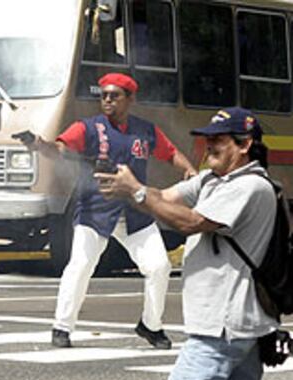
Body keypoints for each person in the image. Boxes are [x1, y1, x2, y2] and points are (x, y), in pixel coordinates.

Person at [96, 106, 293, 380]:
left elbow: (189, 222)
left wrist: (136, 194)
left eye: (219, 141)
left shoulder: (250, 188)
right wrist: (127, 185)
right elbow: (166, 199)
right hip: (238, 323)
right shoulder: (214, 180)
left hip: (221, 325)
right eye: (207, 140)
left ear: (244, 146)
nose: (208, 148)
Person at [20, 73, 196, 349]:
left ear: (130, 99)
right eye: (103, 95)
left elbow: (170, 152)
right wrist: (40, 145)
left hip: (136, 211)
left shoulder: (145, 131)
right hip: (95, 210)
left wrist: (188, 169)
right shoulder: (88, 128)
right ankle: (62, 327)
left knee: (159, 267)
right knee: (81, 265)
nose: (107, 100)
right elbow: (59, 148)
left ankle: (151, 325)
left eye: (114, 95)